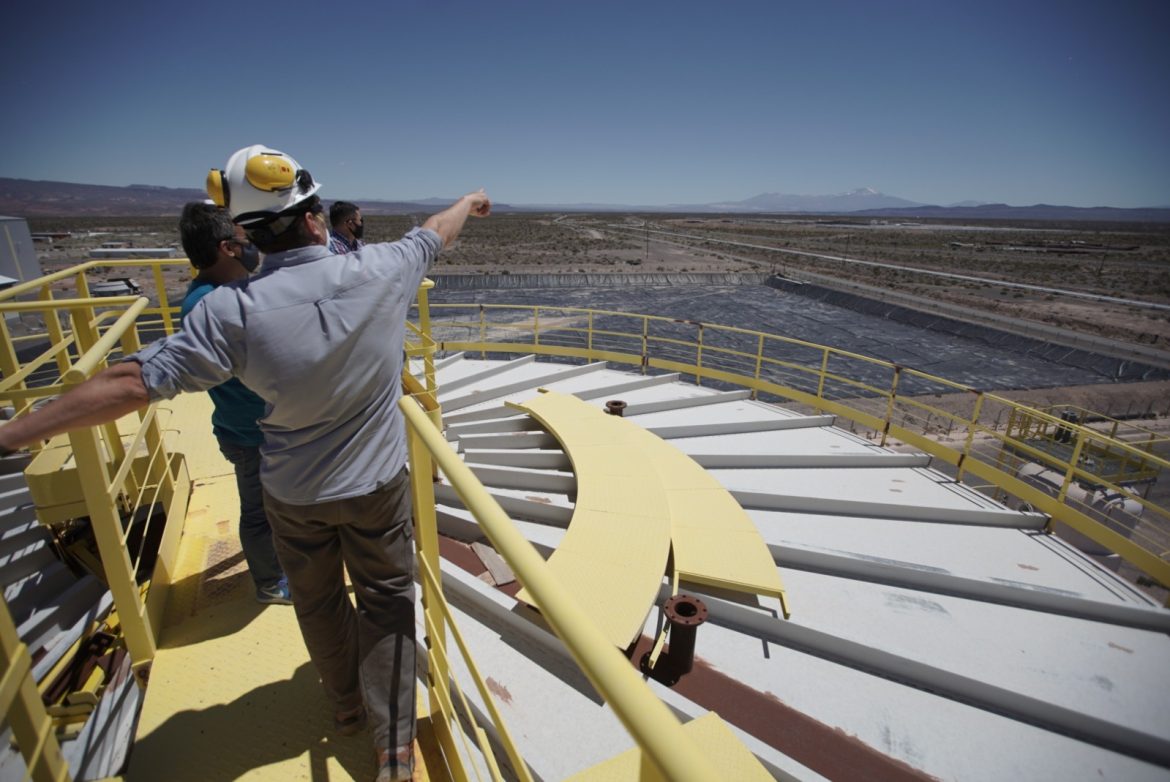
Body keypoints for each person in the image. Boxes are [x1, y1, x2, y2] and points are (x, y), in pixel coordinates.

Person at [0, 144, 490, 782]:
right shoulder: (384, 269)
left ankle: (345, 707)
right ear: (314, 219)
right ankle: (393, 747)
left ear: (245, 234)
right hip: (375, 485)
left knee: (316, 602)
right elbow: (434, 232)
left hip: (292, 492)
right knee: (388, 603)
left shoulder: (227, 313)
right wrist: (468, 201)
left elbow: (128, 384)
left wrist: (14, 433)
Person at [177, 202, 290, 606]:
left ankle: (276, 566)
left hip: (258, 427)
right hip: (251, 432)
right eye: (246, 240)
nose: (253, 246)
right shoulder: (209, 307)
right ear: (227, 248)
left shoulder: (220, 294)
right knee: (259, 512)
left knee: (274, 506)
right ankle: (269, 582)